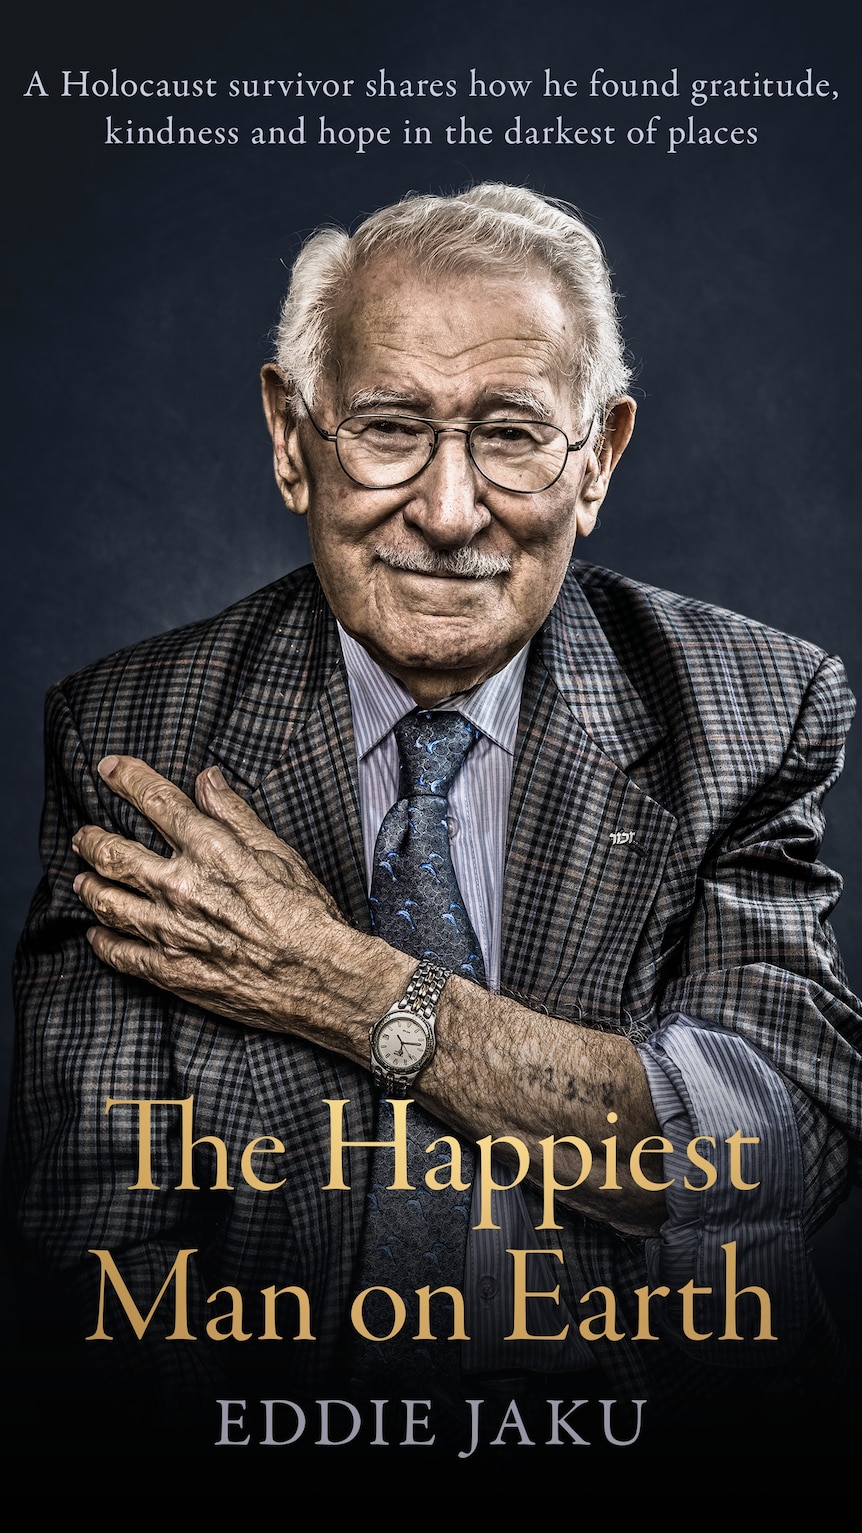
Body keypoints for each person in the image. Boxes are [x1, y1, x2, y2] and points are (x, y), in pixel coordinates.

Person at [6, 183, 861, 1462]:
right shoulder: (134, 739)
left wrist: (341, 984)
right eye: (389, 428)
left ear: (600, 457)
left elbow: (772, 1149)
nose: (451, 512)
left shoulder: (751, 709)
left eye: (512, 434)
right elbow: (96, 1258)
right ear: (293, 439)